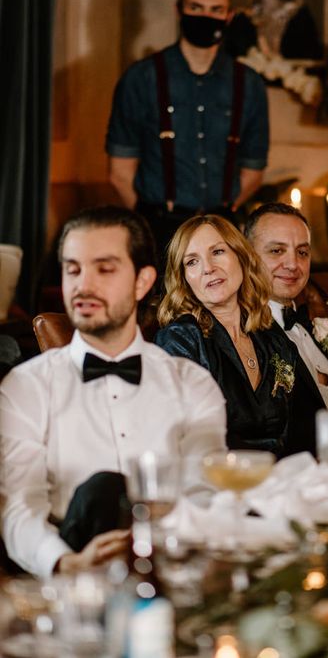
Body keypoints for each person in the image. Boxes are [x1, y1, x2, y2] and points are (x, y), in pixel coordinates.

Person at [0, 207, 226, 578]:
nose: (83, 285)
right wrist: (66, 563)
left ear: (142, 282)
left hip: (171, 563)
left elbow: (205, 495)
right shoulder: (26, 387)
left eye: (104, 269)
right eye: (73, 269)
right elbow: (19, 507)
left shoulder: (193, 384)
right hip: (70, 571)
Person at [106, 0, 270, 256]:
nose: (205, 17)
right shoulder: (141, 79)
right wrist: (150, 220)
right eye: (196, 7)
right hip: (158, 228)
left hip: (223, 227)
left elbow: (253, 172)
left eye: (215, 10)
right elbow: (120, 172)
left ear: (229, 16)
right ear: (179, 10)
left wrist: (218, 215)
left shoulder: (249, 84)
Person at [155, 214, 317, 456]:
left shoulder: (270, 334)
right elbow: (188, 441)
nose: (208, 268)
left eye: (218, 252)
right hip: (219, 481)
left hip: (284, 478)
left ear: (241, 257)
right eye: (192, 262)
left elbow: (306, 419)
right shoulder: (181, 340)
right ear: (185, 279)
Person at [245, 203, 328, 415]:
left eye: (302, 252)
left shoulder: (310, 322)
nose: (293, 264)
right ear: (247, 256)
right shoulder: (243, 336)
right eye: (276, 251)